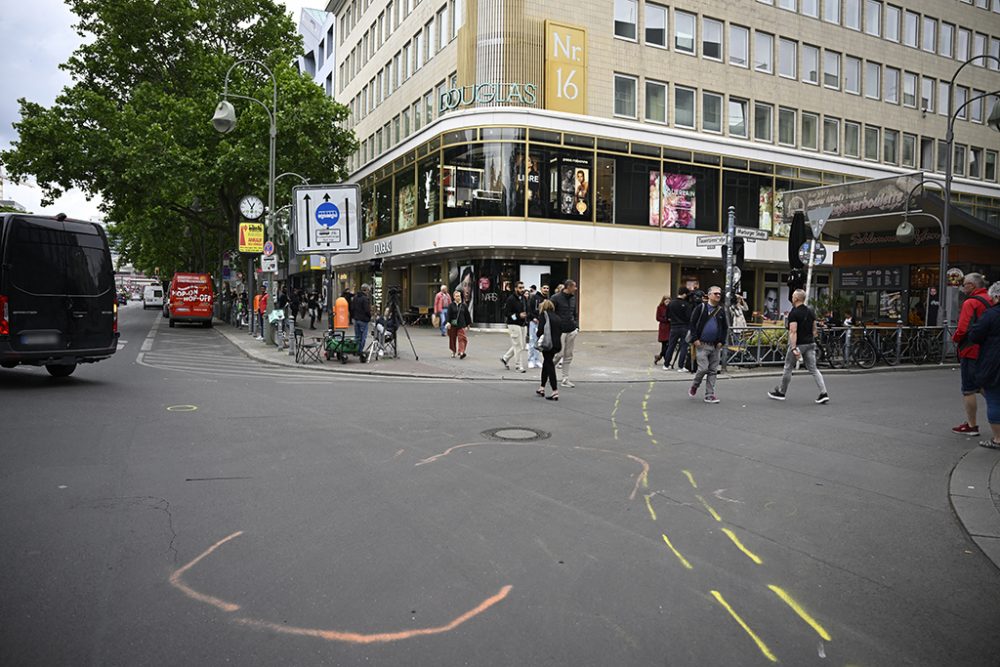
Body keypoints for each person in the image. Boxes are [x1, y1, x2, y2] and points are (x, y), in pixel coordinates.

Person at [768, 289, 830, 404]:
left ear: (796, 298)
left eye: (792, 296)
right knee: (814, 369)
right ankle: (823, 393)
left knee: (788, 367)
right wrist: (812, 338)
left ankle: (781, 392)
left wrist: (793, 347)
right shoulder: (811, 311)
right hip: (810, 343)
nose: (791, 298)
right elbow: (814, 329)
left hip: (799, 344)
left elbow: (793, 331)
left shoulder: (794, 313)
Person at [952, 273, 993, 437]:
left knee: (969, 388)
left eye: (964, 284)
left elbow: (962, 328)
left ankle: (972, 425)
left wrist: (955, 339)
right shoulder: (992, 300)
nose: (963, 287)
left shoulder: (971, 302)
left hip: (971, 349)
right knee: (985, 385)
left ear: (972, 285)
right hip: (989, 349)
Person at [967, 281, 1000, 449]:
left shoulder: (991, 314)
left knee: (994, 399)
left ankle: (998, 439)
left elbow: (975, 335)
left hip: (994, 362)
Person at [687, 286, 728, 404]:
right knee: (703, 369)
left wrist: (721, 341)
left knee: (713, 371)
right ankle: (695, 385)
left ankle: (709, 395)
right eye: (716, 294)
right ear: (709, 295)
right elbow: (692, 324)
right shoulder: (701, 308)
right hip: (702, 344)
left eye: (720, 294)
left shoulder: (720, 310)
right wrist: (695, 340)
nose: (718, 296)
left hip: (715, 346)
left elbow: (725, 327)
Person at [551, 279, 580, 388]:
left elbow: (574, 313)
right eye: (574, 287)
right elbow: (549, 313)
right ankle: (548, 370)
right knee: (559, 354)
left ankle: (565, 379)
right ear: (568, 287)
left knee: (568, 356)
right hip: (560, 331)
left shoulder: (573, 298)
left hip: (571, 329)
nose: (576, 289)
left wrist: (576, 326)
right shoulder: (555, 298)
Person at [535, 299, 564, 401]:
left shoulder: (544, 315)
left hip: (548, 344)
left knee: (549, 365)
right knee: (547, 364)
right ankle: (542, 387)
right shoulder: (557, 317)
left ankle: (554, 390)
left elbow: (540, 331)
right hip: (556, 344)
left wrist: (538, 335)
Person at [501, 281, 529, 372]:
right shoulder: (511, 299)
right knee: (518, 345)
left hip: (523, 324)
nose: (522, 289)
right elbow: (506, 313)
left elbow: (526, 309)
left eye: (523, 287)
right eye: (520, 288)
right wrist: (517, 316)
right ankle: (518, 366)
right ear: (515, 288)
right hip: (513, 324)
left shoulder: (524, 298)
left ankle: (505, 358)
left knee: (522, 345)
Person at [663, 286, 692, 371]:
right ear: (684, 294)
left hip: (674, 327)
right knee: (684, 346)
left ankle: (666, 364)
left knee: (671, 346)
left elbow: (667, 316)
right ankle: (680, 366)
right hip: (684, 327)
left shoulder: (671, 303)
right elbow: (689, 317)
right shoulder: (687, 305)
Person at [446, 290, 472, 358]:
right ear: (454, 297)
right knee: (452, 338)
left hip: (461, 324)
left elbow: (467, 315)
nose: (458, 297)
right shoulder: (451, 305)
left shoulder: (464, 305)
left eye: (459, 296)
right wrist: (448, 322)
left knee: (462, 338)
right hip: (453, 324)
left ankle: (461, 352)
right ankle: (453, 351)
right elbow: (449, 315)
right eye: (457, 296)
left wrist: (468, 324)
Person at [527, 285, 548, 369]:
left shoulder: (547, 299)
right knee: (532, 340)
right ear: (541, 289)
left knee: (539, 342)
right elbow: (529, 309)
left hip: (542, 323)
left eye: (547, 288)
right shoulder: (534, 298)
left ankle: (537, 359)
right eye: (544, 288)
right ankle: (531, 360)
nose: (546, 290)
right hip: (534, 322)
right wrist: (533, 318)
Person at [351, 284, 372, 362]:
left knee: (357, 336)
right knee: (363, 337)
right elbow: (367, 310)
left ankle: (356, 350)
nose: (369, 292)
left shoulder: (355, 297)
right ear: (366, 290)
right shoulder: (365, 299)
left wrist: (354, 316)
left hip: (356, 319)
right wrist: (369, 317)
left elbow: (352, 308)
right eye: (368, 291)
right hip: (363, 320)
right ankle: (360, 351)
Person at [653, 295, 671, 365]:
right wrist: (666, 319)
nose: (667, 303)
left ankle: (659, 357)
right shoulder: (660, 308)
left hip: (670, 328)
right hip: (663, 328)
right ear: (663, 301)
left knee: (668, 345)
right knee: (664, 345)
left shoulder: (671, 308)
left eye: (669, 301)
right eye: (666, 301)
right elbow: (658, 318)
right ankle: (666, 360)